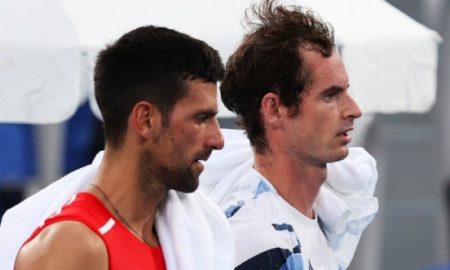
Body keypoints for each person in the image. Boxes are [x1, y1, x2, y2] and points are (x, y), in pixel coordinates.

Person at [13, 25, 234, 270]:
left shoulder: (181, 237)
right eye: (201, 119)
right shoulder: (71, 247)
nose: (218, 139)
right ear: (146, 120)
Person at [218, 0, 370, 268]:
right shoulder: (254, 238)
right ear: (275, 109)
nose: (354, 110)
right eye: (331, 95)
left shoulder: (315, 219)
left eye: (346, 91)